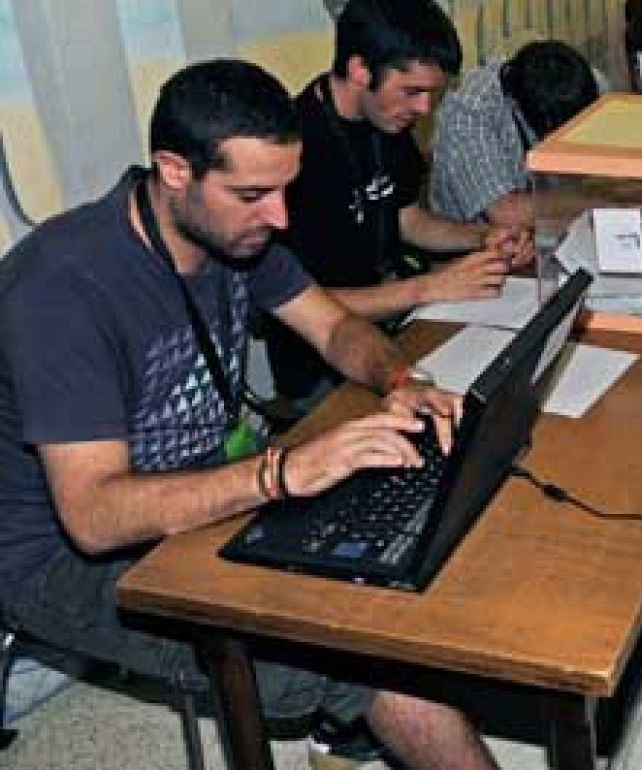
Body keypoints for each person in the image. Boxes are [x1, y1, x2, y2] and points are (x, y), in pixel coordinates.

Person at [0, 60, 500, 770]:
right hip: (57, 557)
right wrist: (281, 473)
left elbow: (332, 328)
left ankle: (358, 724)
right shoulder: (62, 287)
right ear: (175, 170)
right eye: (253, 194)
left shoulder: (229, 232)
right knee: (362, 651)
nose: (279, 217)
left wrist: (400, 377)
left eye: (284, 190)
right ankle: (360, 707)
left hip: (197, 485)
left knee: (400, 533)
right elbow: (93, 515)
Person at [266, 0, 532, 409]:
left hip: (397, 334)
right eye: (412, 91)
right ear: (359, 70)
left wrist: (483, 236)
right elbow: (298, 306)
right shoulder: (293, 151)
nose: (425, 109)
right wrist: (427, 288)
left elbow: (408, 220)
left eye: (433, 94)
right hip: (322, 373)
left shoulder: (388, 122)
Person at [428, 39, 601, 226]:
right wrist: (600, 204)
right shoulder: (470, 110)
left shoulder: (571, 82)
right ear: (519, 107)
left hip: (544, 225)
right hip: (476, 242)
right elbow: (505, 212)